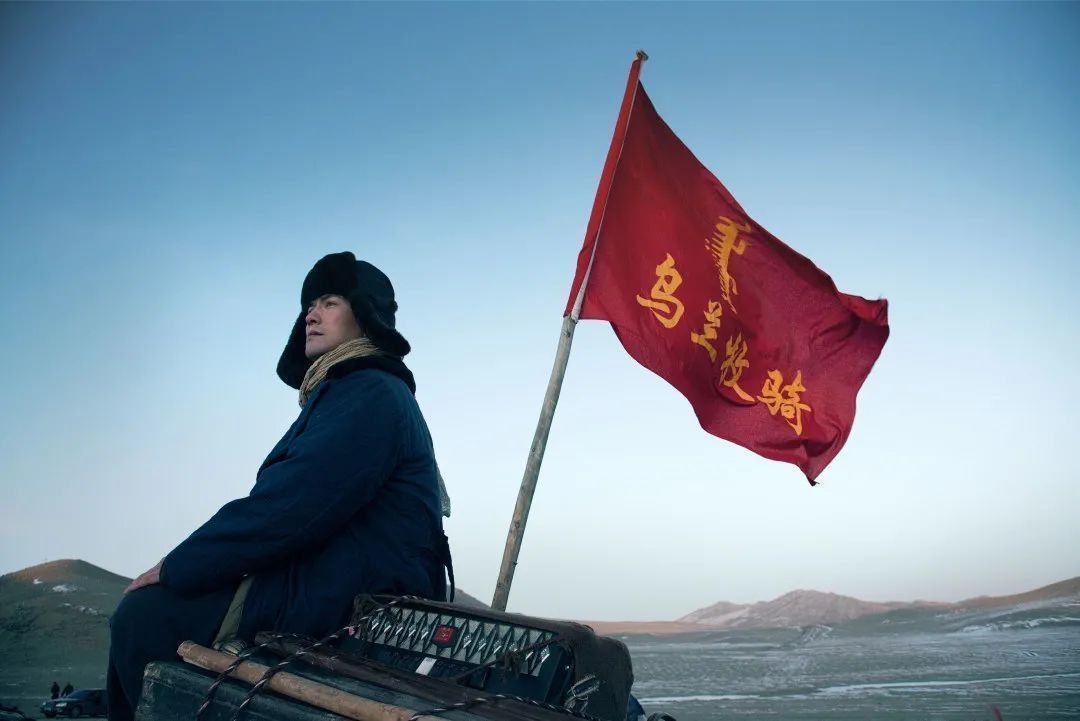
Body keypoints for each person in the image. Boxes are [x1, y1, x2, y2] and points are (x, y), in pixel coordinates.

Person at [106, 252, 453, 721]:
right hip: (330, 577)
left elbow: (290, 508)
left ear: (365, 314)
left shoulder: (369, 391)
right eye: (309, 305)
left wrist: (178, 566)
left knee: (144, 615)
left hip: (358, 597)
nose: (311, 315)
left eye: (329, 302)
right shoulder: (351, 391)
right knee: (153, 612)